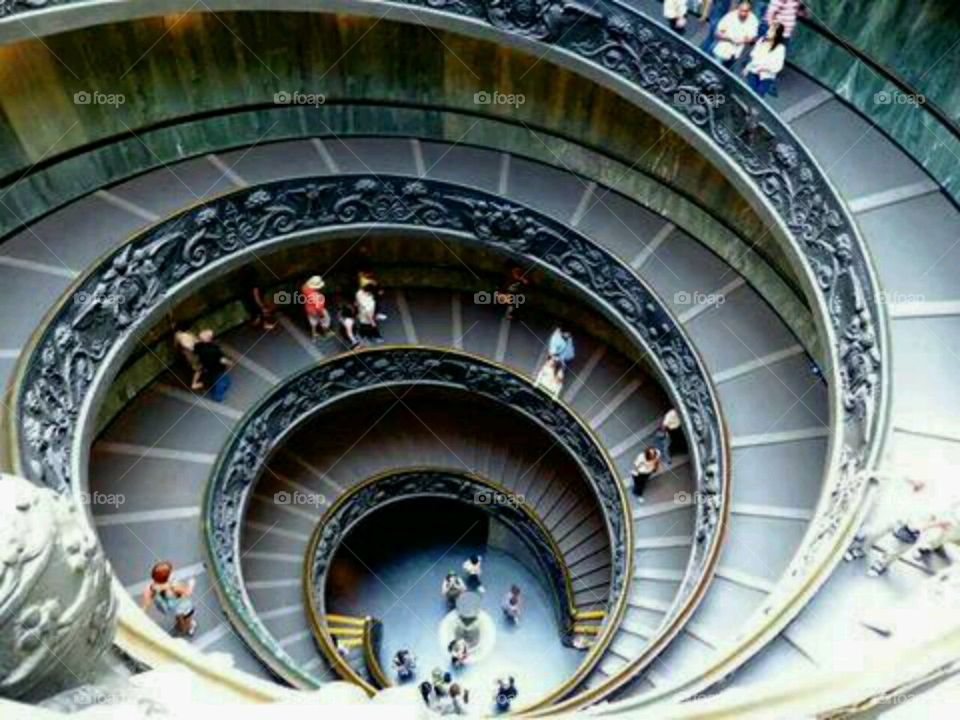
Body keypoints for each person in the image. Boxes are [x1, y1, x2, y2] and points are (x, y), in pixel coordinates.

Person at [140, 561, 197, 637]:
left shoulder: (152, 587)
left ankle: (179, 626)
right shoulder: (174, 586)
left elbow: (146, 604)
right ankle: (189, 627)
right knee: (188, 619)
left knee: (178, 616)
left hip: (171, 609)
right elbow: (187, 593)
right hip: (184, 607)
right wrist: (191, 583)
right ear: (167, 576)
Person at [743, 22, 787, 96]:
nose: (768, 32)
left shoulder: (780, 48)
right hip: (753, 71)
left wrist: (765, 68)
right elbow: (753, 56)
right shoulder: (761, 41)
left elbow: (778, 66)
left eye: (771, 31)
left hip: (767, 76)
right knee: (750, 93)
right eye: (769, 30)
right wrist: (747, 68)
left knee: (758, 95)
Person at [712, 2, 759, 68]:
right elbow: (717, 33)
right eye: (741, 10)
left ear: (749, 11)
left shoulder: (753, 20)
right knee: (715, 70)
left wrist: (743, 40)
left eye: (745, 11)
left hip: (736, 54)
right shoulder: (730, 16)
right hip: (722, 51)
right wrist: (731, 39)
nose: (743, 13)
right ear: (738, 9)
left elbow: (752, 38)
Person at [192, 329, 232, 402]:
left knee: (219, 379)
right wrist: (229, 362)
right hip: (217, 368)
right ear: (209, 338)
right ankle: (218, 397)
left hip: (207, 367)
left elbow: (195, 352)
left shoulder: (198, 346)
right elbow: (221, 360)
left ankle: (218, 385)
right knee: (221, 381)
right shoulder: (214, 349)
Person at [301, 275, 330, 340]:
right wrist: (321, 315)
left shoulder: (305, 287)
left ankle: (314, 336)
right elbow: (319, 308)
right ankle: (325, 333)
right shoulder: (317, 296)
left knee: (313, 322)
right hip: (316, 311)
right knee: (325, 320)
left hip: (308, 309)